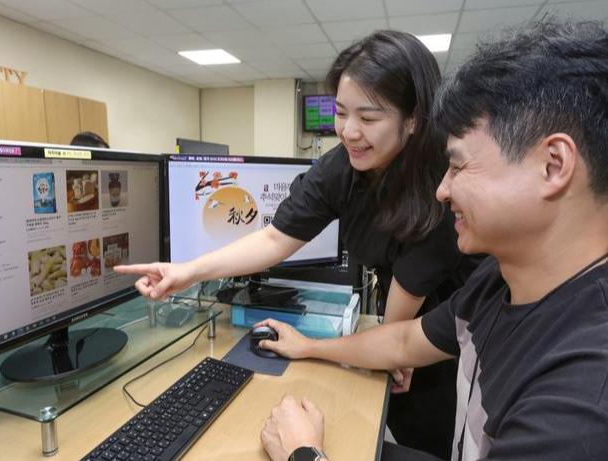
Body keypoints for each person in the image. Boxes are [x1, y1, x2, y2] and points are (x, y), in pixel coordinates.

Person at [116, 30, 479, 458]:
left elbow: (397, 339)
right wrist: (187, 271)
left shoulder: (441, 189)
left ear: (413, 119)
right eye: (340, 113)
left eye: (368, 118)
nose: (349, 131)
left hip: (450, 346)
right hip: (399, 334)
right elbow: (275, 238)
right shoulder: (343, 169)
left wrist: (312, 349)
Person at [259, 18, 608, 461]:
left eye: (458, 167)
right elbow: (402, 342)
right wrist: (309, 347)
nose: (442, 191)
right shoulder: (497, 286)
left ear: (553, 165)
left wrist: (304, 455)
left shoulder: (584, 397)